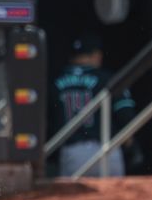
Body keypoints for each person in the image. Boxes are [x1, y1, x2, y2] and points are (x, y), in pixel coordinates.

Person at [49, 33, 137, 178]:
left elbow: (46, 121)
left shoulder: (55, 82)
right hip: (108, 150)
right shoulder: (108, 79)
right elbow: (125, 116)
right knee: (114, 199)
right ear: (96, 55)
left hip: (72, 153)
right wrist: (130, 145)